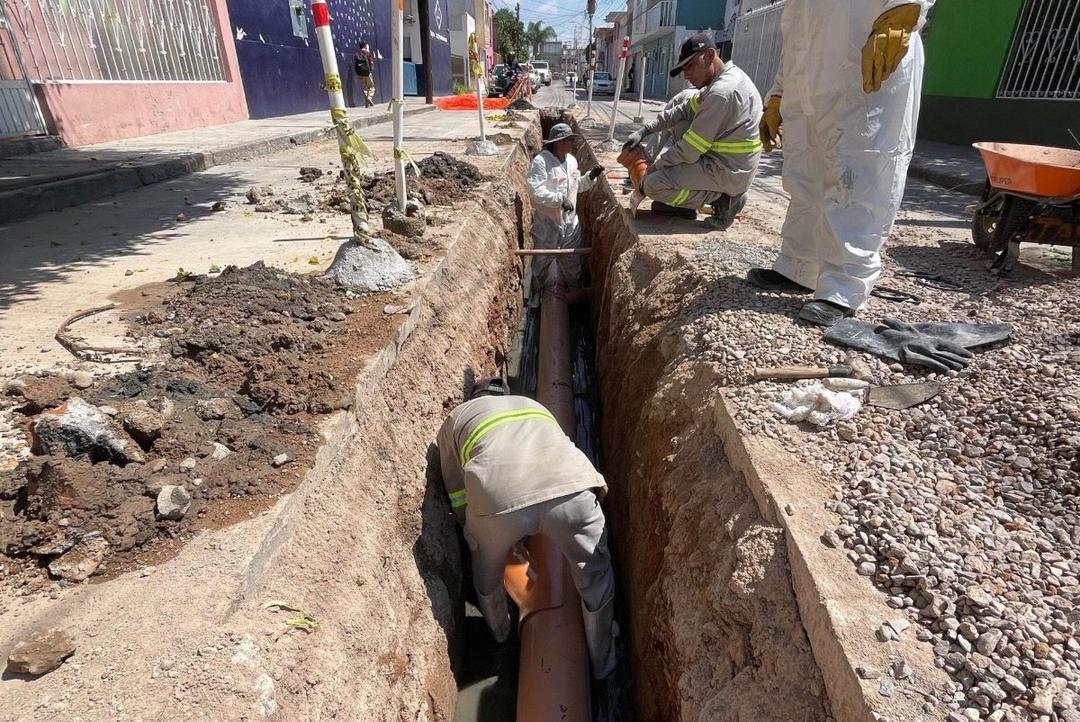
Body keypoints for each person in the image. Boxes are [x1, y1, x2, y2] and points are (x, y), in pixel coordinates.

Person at [749, 1, 935, 326]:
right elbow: (796, 30)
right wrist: (779, 92)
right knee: (804, 173)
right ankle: (798, 267)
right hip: (807, 80)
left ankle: (842, 287)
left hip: (865, 64)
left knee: (859, 174)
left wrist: (906, 7)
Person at [437, 377, 617, 678]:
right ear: (506, 396)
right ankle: (603, 662)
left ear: (474, 399)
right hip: (572, 489)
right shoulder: (532, 405)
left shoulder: (457, 418)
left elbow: (456, 490)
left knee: (487, 576)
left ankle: (501, 634)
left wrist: (473, 531)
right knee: (596, 576)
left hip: (495, 501)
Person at [623, 34, 762, 230]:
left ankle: (724, 201)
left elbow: (689, 149)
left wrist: (654, 169)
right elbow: (683, 110)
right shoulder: (722, 81)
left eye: (690, 66)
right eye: (684, 69)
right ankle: (684, 205)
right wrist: (645, 130)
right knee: (681, 118)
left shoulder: (722, 93)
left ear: (710, 55)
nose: (686, 75)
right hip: (723, 161)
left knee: (653, 184)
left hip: (728, 171)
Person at [526, 123, 604, 290]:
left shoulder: (571, 160)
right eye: (569, 140)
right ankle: (538, 296)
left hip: (570, 222)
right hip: (548, 224)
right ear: (558, 142)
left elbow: (576, 186)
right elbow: (535, 191)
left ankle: (572, 292)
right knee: (542, 261)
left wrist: (590, 178)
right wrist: (559, 200)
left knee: (572, 261)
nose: (572, 143)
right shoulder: (541, 162)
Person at [354, 41, 376, 108]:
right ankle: (369, 98)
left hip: (360, 73)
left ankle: (367, 103)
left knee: (365, 88)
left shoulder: (357, 53)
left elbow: (355, 62)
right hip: (367, 73)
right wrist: (371, 70)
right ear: (365, 46)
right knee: (371, 87)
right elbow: (371, 62)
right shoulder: (367, 53)